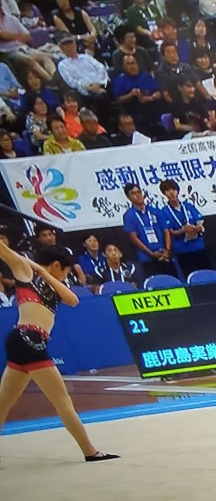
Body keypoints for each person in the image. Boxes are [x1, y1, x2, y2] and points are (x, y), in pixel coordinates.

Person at [0, 242, 119, 461]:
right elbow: (4, 251)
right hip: (29, 340)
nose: (65, 277)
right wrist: (36, 267)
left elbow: (73, 300)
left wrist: (44, 272)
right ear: (56, 265)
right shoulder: (25, 270)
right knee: (62, 400)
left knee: (3, 403)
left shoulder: (48, 280)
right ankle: (90, 452)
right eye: (65, 272)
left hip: (23, 341)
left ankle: (90, 451)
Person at [122, 183, 176, 281]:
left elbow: (166, 231)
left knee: (173, 281)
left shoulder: (155, 211)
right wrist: (150, 253)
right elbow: (133, 237)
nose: (138, 195)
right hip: (147, 257)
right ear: (128, 197)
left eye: (139, 192)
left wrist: (167, 250)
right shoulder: (129, 215)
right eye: (133, 193)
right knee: (155, 284)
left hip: (164, 254)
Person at [158, 179, 208, 277]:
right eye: (167, 190)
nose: (171, 193)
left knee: (207, 274)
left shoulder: (188, 206)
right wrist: (183, 230)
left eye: (173, 189)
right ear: (164, 193)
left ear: (178, 191)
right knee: (190, 276)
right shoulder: (164, 211)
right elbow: (170, 231)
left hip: (198, 246)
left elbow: (199, 221)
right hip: (182, 249)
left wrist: (199, 227)